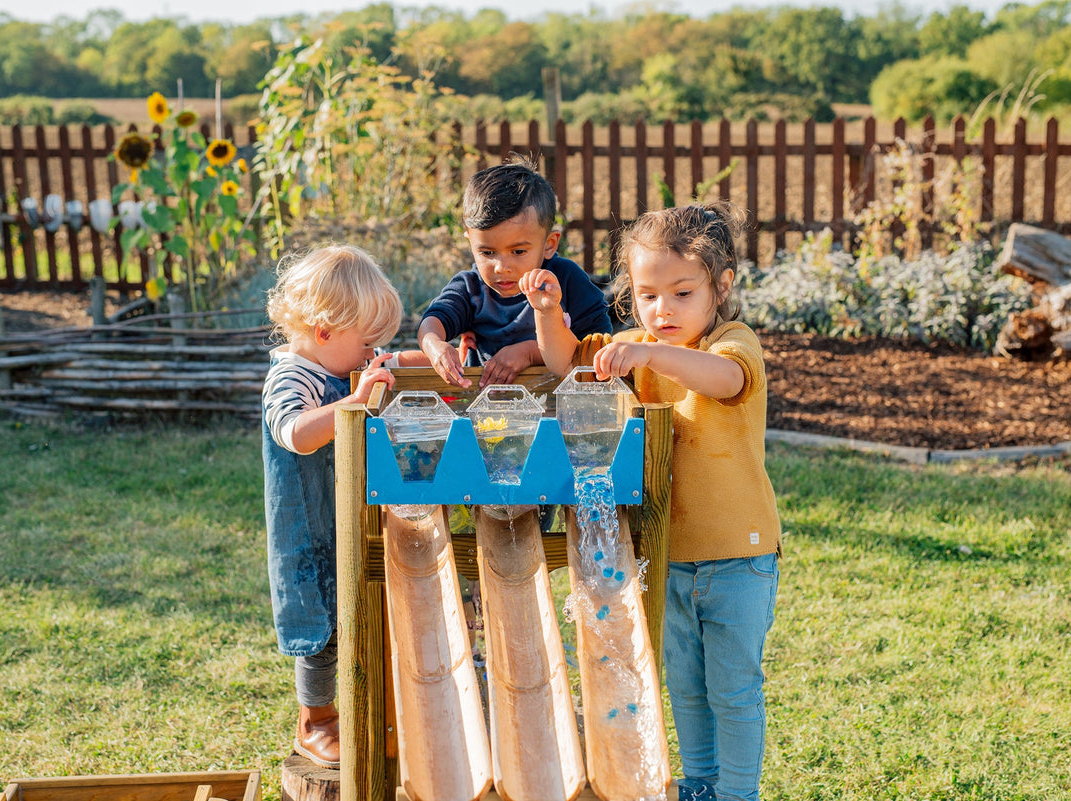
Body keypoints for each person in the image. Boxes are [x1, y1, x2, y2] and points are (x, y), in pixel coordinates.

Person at [520, 202, 782, 801]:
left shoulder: (732, 344)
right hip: (668, 557)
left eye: (681, 293)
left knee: (734, 687)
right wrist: (549, 314)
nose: (661, 311)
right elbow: (567, 361)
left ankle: (737, 794)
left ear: (721, 288)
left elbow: (724, 381)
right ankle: (701, 784)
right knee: (686, 686)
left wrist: (649, 355)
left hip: (739, 559)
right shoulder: (637, 346)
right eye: (647, 296)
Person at [261, 244, 419, 768]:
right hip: (308, 525)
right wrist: (353, 402)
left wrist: (434, 355)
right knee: (319, 626)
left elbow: (394, 362)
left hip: (344, 516)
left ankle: (357, 706)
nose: (374, 354)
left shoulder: (338, 361)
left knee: (355, 610)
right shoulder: (291, 377)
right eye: (368, 342)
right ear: (325, 332)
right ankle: (315, 720)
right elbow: (298, 435)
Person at [418, 155, 612, 388]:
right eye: (487, 253)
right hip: (486, 405)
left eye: (518, 251)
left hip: (560, 404)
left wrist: (531, 353)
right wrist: (435, 346)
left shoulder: (566, 280)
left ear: (549, 244)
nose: (501, 267)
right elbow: (432, 322)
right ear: (471, 243)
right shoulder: (471, 288)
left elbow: (599, 347)